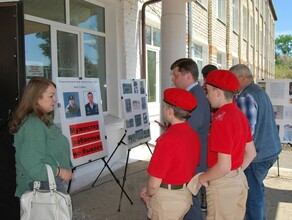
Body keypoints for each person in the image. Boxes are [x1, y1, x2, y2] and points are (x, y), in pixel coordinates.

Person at [197, 69, 257, 220]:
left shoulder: (221, 120)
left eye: (208, 90)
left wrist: (203, 178)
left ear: (218, 92)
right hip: (239, 181)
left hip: (222, 186)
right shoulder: (239, 115)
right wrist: (234, 173)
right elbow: (251, 153)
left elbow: (223, 166)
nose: (206, 95)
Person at [229, 64, 282, 220]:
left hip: (257, 156)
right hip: (268, 150)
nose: (231, 84)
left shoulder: (246, 96)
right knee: (256, 191)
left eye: (233, 79)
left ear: (243, 77)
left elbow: (245, 134)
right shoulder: (258, 92)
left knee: (252, 196)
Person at [140, 88, 201, 220]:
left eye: (164, 107)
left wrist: (148, 193)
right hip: (185, 195)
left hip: (167, 200)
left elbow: (154, 183)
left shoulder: (166, 139)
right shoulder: (193, 135)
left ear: (170, 111)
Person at [9, 78, 73, 198]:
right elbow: (34, 167)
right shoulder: (34, 124)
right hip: (43, 185)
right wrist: (60, 172)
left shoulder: (44, 119)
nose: (55, 99)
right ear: (37, 98)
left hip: (49, 182)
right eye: (51, 96)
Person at [170, 58, 210, 220]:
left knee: (189, 201)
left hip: (194, 159)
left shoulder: (195, 97)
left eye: (175, 75)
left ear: (187, 76)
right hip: (194, 155)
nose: (173, 78)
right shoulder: (194, 94)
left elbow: (189, 130)